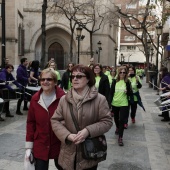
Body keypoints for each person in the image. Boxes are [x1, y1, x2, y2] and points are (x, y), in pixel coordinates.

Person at [51, 64, 113, 170]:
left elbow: (107, 121)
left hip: (89, 154)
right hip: (68, 152)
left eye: (79, 76)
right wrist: (67, 135)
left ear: (88, 79)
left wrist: (88, 131)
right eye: (73, 76)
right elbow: (55, 120)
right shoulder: (64, 99)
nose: (75, 79)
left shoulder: (100, 99)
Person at [25, 68, 65, 170]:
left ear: (55, 82)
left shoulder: (63, 98)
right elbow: (31, 123)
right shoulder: (35, 99)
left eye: (49, 79)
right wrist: (29, 146)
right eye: (42, 79)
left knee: (63, 167)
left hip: (60, 142)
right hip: (41, 142)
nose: (45, 82)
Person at [109, 66, 133, 146]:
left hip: (124, 103)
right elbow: (111, 93)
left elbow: (130, 94)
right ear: (118, 73)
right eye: (121, 72)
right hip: (115, 103)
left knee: (122, 120)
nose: (122, 74)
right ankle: (117, 127)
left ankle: (120, 137)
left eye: (124, 72)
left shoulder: (127, 82)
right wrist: (109, 103)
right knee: (116, 119)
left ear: (126, 74)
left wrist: (127, 91)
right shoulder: (114, 81)